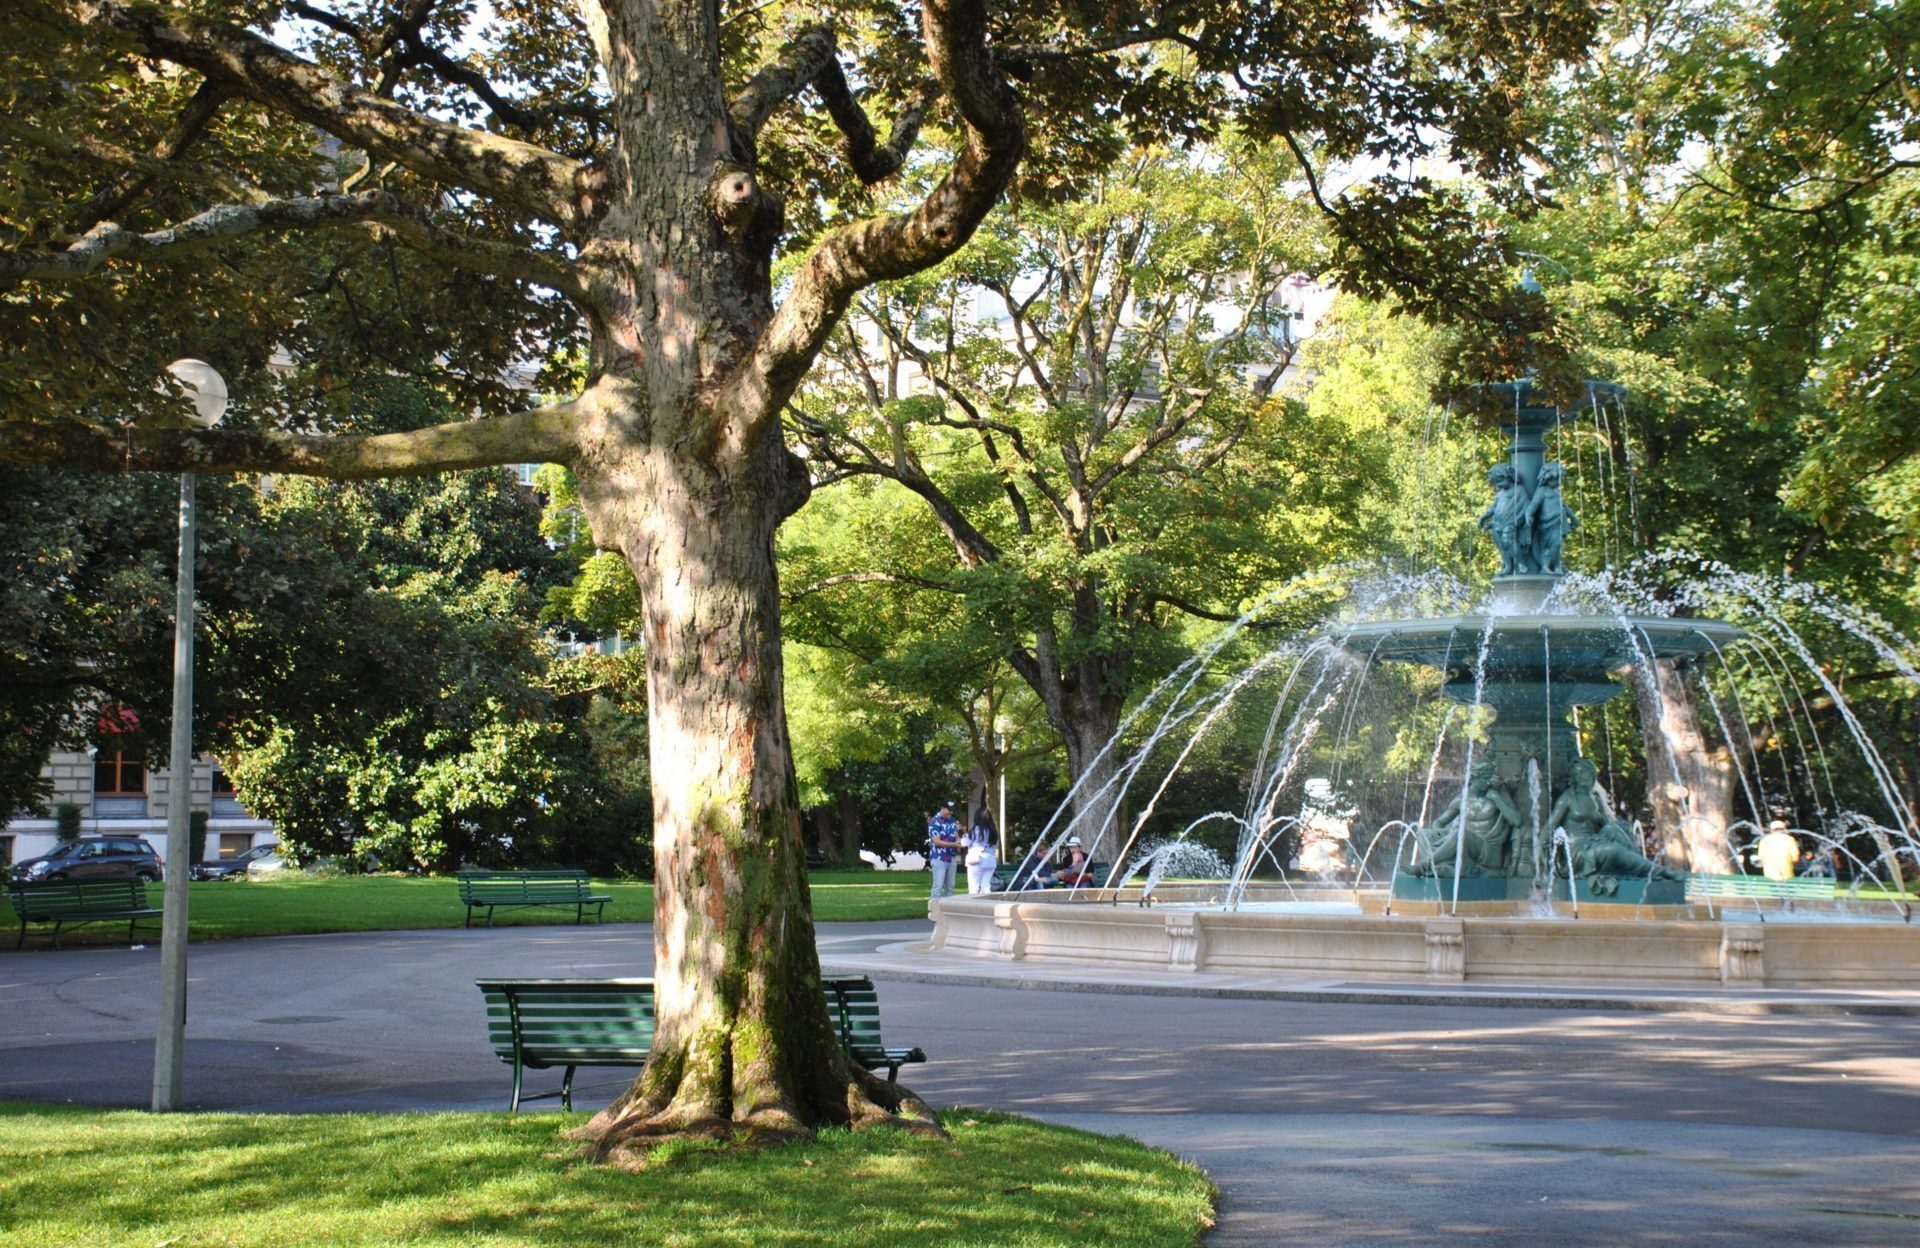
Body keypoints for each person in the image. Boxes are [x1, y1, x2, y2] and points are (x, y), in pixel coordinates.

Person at [926, 802, 962, 899]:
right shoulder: (934, 821)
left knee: (950, 886)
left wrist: (960, 843)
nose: (950, 812)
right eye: (948, 810)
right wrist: (953, 844)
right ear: (942, 808)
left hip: (951, 857)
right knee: (938, 885)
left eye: (952, 810)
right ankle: (935, 910)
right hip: (939, 857)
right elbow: (937, 841)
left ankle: (947, 909)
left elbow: (956, 837)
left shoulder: (952, 821)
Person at [965, 807, 999, 894]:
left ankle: (973, 906)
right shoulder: (993, 831)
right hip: (990, 861)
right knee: (986, 886)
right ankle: (987, 905)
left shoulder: (975, 830)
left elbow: (965, 843)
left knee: (974, 886)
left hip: (977, 861)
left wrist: (960, 836)